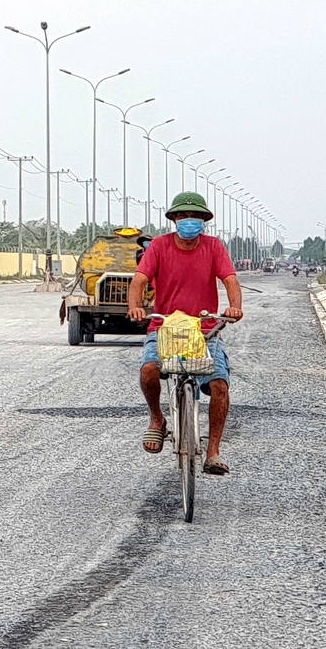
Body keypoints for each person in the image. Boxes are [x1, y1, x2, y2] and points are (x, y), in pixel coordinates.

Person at [127, 191, 244, 475]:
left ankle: (213, 451)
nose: (189, 221)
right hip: (165, 327)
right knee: (149, 370)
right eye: (183, 216)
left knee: (219, 386)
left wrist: (234, 307)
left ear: (203, 220)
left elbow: (230, 279)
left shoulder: (214, 247)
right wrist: (135, 307)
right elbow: (139, 280)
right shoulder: (158, 247)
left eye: (195, 217)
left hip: (205, 331)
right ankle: (157, 419)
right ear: (174, 219)